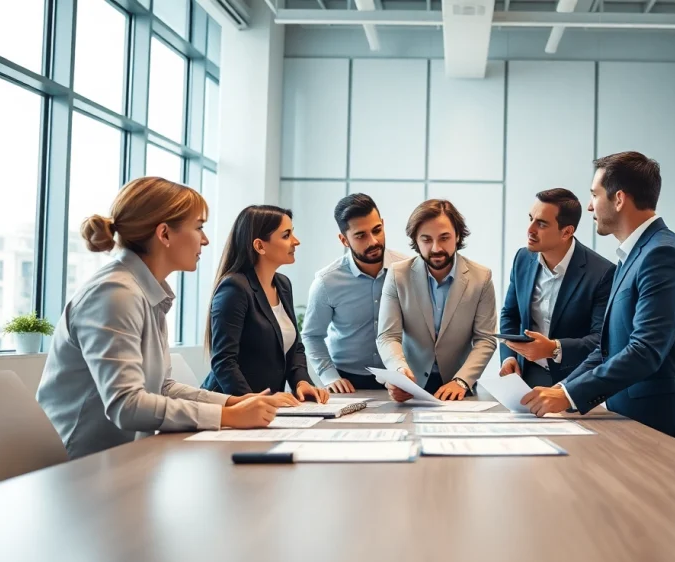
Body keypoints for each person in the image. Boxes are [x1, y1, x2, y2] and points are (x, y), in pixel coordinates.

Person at [36, 177, 294, 460]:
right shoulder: (115, 294)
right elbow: (126, 405)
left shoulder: (145, 290)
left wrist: (235, 402)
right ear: (164, 234)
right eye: (199, 228)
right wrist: (226, 415)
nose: (205, 240)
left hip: (126, 458)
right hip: (84, 467)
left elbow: (161, 387)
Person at [522, 152, 675, 452]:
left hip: (669, 431)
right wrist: (560, 390)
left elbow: (644, 351)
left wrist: (569, 395)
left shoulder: (664, 256)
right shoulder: (635, 256)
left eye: (594, 195)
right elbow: (608, 349)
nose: (589, 206)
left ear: (618, 199)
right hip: (633, 422)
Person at [202, 205, 329, 405]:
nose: (296, 241)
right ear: (260, 246)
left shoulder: (283, 284)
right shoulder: (234, 288)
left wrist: (301, 382)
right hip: (233, 405)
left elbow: (294, 348)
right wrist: (256, 402)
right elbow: (224, 362)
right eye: (286, 235)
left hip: (268, 409)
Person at [377, 199, 497, 401]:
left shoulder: (481, 277)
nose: (436, 248)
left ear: (457, 236)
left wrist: (462, 381)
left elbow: (486, 339)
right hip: (411, 384)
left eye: (444, 238)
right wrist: (399, 372)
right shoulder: (398, 275)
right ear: (415, 240)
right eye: (426, 239)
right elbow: (388, 336)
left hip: (458, 385)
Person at [499, 188, 615, 387]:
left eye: (542, 224)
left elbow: (601, 341)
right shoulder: (522, 258)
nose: (530, 230)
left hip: (575, 382)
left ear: (567, 232)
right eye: (531, 219)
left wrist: (554, 348)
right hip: (525, 377)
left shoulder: (602, 273)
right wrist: (509, 357)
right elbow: (510, 314)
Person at [300, 194, 409, 394]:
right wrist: (329, 375)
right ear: (344, 239)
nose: (373, 241)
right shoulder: (326, 282)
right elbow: (312, 335)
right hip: (348, 382)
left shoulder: (408, 270)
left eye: (377, 230)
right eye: (361, 235)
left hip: (401, 378)